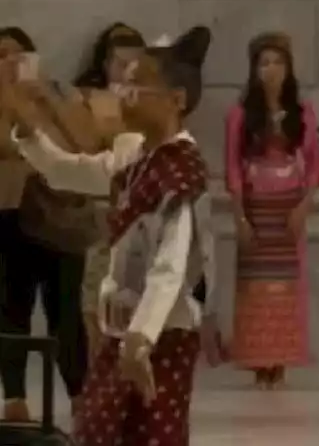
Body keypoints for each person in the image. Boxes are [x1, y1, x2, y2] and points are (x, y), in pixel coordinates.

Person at [6, 26, 217, 445]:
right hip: (119, 332)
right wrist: (27, 126)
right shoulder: (131, 153)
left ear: (176, 100)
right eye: (123, 81)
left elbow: (171, 265)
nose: (121, 92)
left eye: (137, 84)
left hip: (163, 336)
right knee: (97, 430)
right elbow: (66, 171)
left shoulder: (183, 171)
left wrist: (142, 337)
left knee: (153, 434)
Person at [0, 27, 92, 423]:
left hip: (60, 217)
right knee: (10, 307)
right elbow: (8, 145)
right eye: (1, 55)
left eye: (18, 54)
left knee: (66, 310)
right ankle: (14, 396)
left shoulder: (59, 93)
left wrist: (47, 103)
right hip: (9, 214)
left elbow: (86, 145)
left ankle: (81, 394)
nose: (9, 62)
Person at [225, 32, 319, 389]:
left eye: (278, 62)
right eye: (264, 63)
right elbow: (233, 167)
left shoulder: (303, 112)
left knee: (287, 285)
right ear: (254, 69)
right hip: (255, 208)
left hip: (289, 210)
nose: (271, 69)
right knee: (255, 286)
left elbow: (314, 165)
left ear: (289, 68)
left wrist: (304, 207)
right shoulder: (240, 115)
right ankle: (258, 360)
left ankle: (280, 360)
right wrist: (239, 217)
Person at [72, 23, 148, 358]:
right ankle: (96, 371)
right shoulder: (89, 99)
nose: (127, 72)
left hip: (141, 214)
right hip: (101, 210)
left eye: (134, 64)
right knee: (94, 301)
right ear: (106, 64)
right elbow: (86, 147)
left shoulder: (149, 102)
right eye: (120, 63)